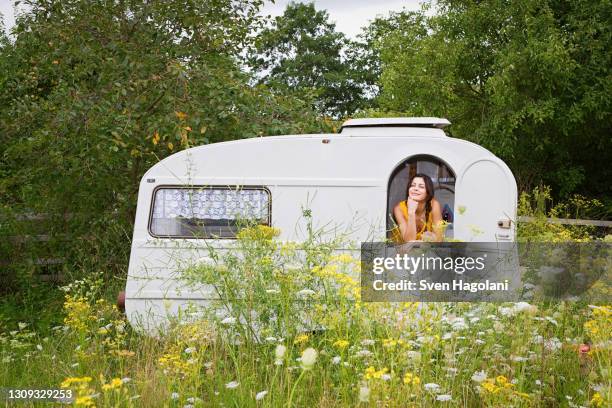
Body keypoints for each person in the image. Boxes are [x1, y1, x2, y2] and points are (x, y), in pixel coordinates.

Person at [391, 173, 444, 242]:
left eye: (421, 187)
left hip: (426, 250)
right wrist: (411, 212)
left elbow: (439, 238)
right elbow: (409, 241)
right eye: (413, 185)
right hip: (401, 250)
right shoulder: (398, 209)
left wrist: (432, 238)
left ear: (428, 192)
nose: (415, 189)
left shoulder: (434, 205)